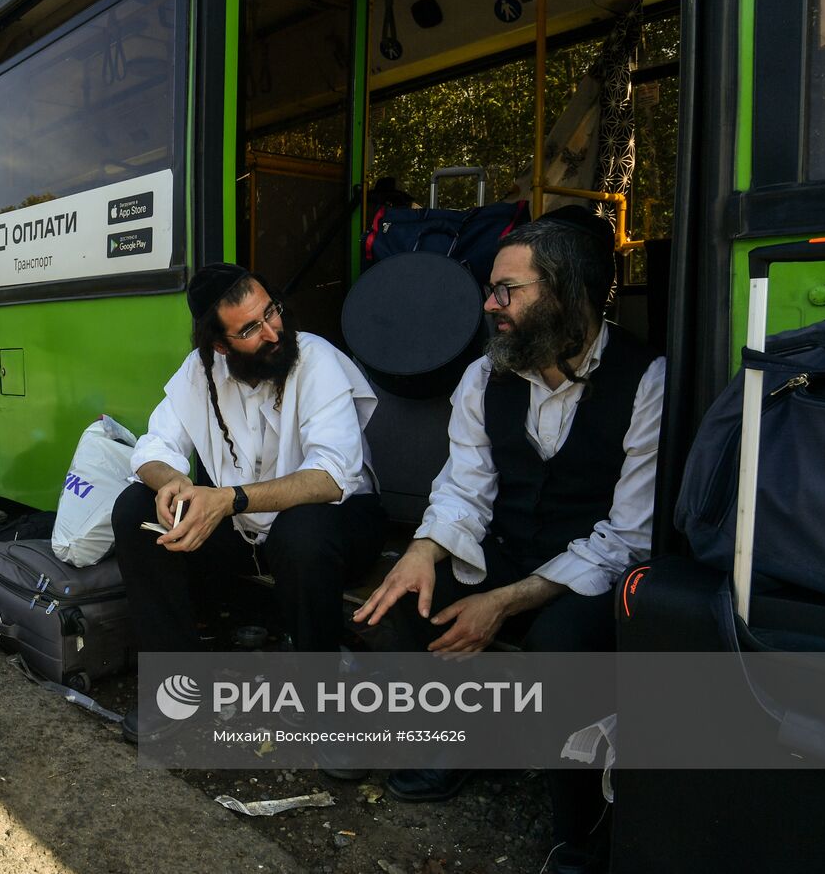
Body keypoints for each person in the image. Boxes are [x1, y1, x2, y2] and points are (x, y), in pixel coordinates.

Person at [352, 208, 665, 874]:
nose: (489, 304)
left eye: (507, 290)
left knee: (560, 640)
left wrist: (504, 601)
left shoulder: (647, 380)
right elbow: (465, 488)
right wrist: (422, 550)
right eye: (491, 288)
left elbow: (629, 537)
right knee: (403, 598)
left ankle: (579, 828)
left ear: (564, 291)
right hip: (514, 543)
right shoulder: (483, 376)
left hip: (593, 567)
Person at [112, 262, 387, 743]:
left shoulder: (315, 358)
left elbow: (332, 475)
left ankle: (326, 707)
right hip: (247, 530)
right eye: (251, 328)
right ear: (221, 345)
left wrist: (229, 499)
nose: (273, 330)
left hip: (338, 524)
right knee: (136, 508)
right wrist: (174, 483)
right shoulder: (202, 370)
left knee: (302, 532)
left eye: (271, 312)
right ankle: (178, 692)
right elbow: (152, 447)